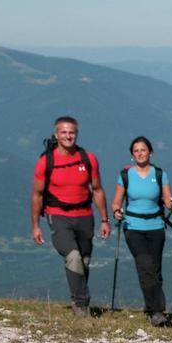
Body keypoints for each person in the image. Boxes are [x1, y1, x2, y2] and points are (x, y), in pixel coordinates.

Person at [30, 116, 111, 317]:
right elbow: (37, 195)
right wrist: (35, 226)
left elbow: (98, 190)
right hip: (58, 216)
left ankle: (77, 298)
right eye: (64, 132)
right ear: (56, 135)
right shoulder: (45, 162)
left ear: (77, 134)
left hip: (84, 216)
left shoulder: (88, 159)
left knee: (84, 261)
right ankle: (82, 306)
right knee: (73, 258)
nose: (68, 136)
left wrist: (104, 219)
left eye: (71, 132)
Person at [111, 136, 172, 327]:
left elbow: (167, 199)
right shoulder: (125, 175)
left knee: (155, 269)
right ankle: (156, 312)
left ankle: (154, 307)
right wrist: (117, 212)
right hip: (133, 227)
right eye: (136, 150)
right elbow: (116, 201)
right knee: (145, 266)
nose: (140, 153)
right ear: (132, 155)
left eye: (143, 150)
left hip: (156, 227)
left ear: (150, 152)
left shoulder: (159, 174)